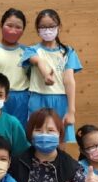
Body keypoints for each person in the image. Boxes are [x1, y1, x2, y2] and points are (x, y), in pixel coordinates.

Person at [21, 9, 81, 143]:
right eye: (43, 27)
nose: (47, 30)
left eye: (51, 26)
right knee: (37, 137)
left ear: (59, 27)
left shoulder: (68, 52)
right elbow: (37, 61)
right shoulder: (32, 50)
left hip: (61, 99)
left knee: (63, 138)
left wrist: (71, 111)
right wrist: (46, 75)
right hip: (38, 98)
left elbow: (69, 80)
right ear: (37, 29)